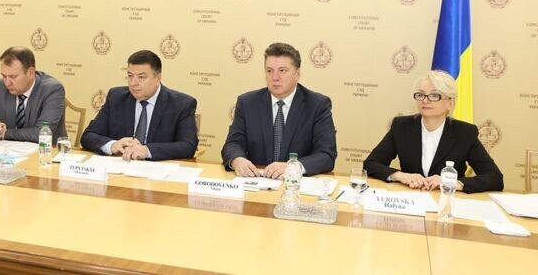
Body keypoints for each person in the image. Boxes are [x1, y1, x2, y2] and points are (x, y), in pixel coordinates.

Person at [363, 70, 504, 193]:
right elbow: (370, 164)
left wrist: (453, 183)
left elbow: (495, 178)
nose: (425, 100)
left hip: (447, 202)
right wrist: (401, 176)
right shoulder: (402, 126)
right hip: (411, 200)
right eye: (421, 95)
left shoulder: (465, 133)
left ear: (450, 103)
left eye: (434, 95)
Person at [221, 42, 337, 178]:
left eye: (282, 70)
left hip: (296, 185)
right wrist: (237, 160)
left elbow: (326, 155)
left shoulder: (317, 105)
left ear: (297, 74)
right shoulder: (247, 103)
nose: (275, 78)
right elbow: (233, 144)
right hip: (256, 182)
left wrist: (293, 167)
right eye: (269, 71)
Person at [81, 50, 198, 161]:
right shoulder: (116, 97)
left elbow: (188, 146)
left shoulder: (182, 104)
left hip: (158, 170)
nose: (133, 83)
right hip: (120, 167)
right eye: (130, 75)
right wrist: (112, 145)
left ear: (158, 78)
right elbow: (88, 135)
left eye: (141, 77)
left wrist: (147, 150)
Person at [0, 47, 66, 143]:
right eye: (4, 76)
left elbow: (41, 133)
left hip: (47, 151)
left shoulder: (52, 90)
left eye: (13, 76)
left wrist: (5, 134)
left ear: (30, 73)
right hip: (9, 152)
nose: (7, 83)